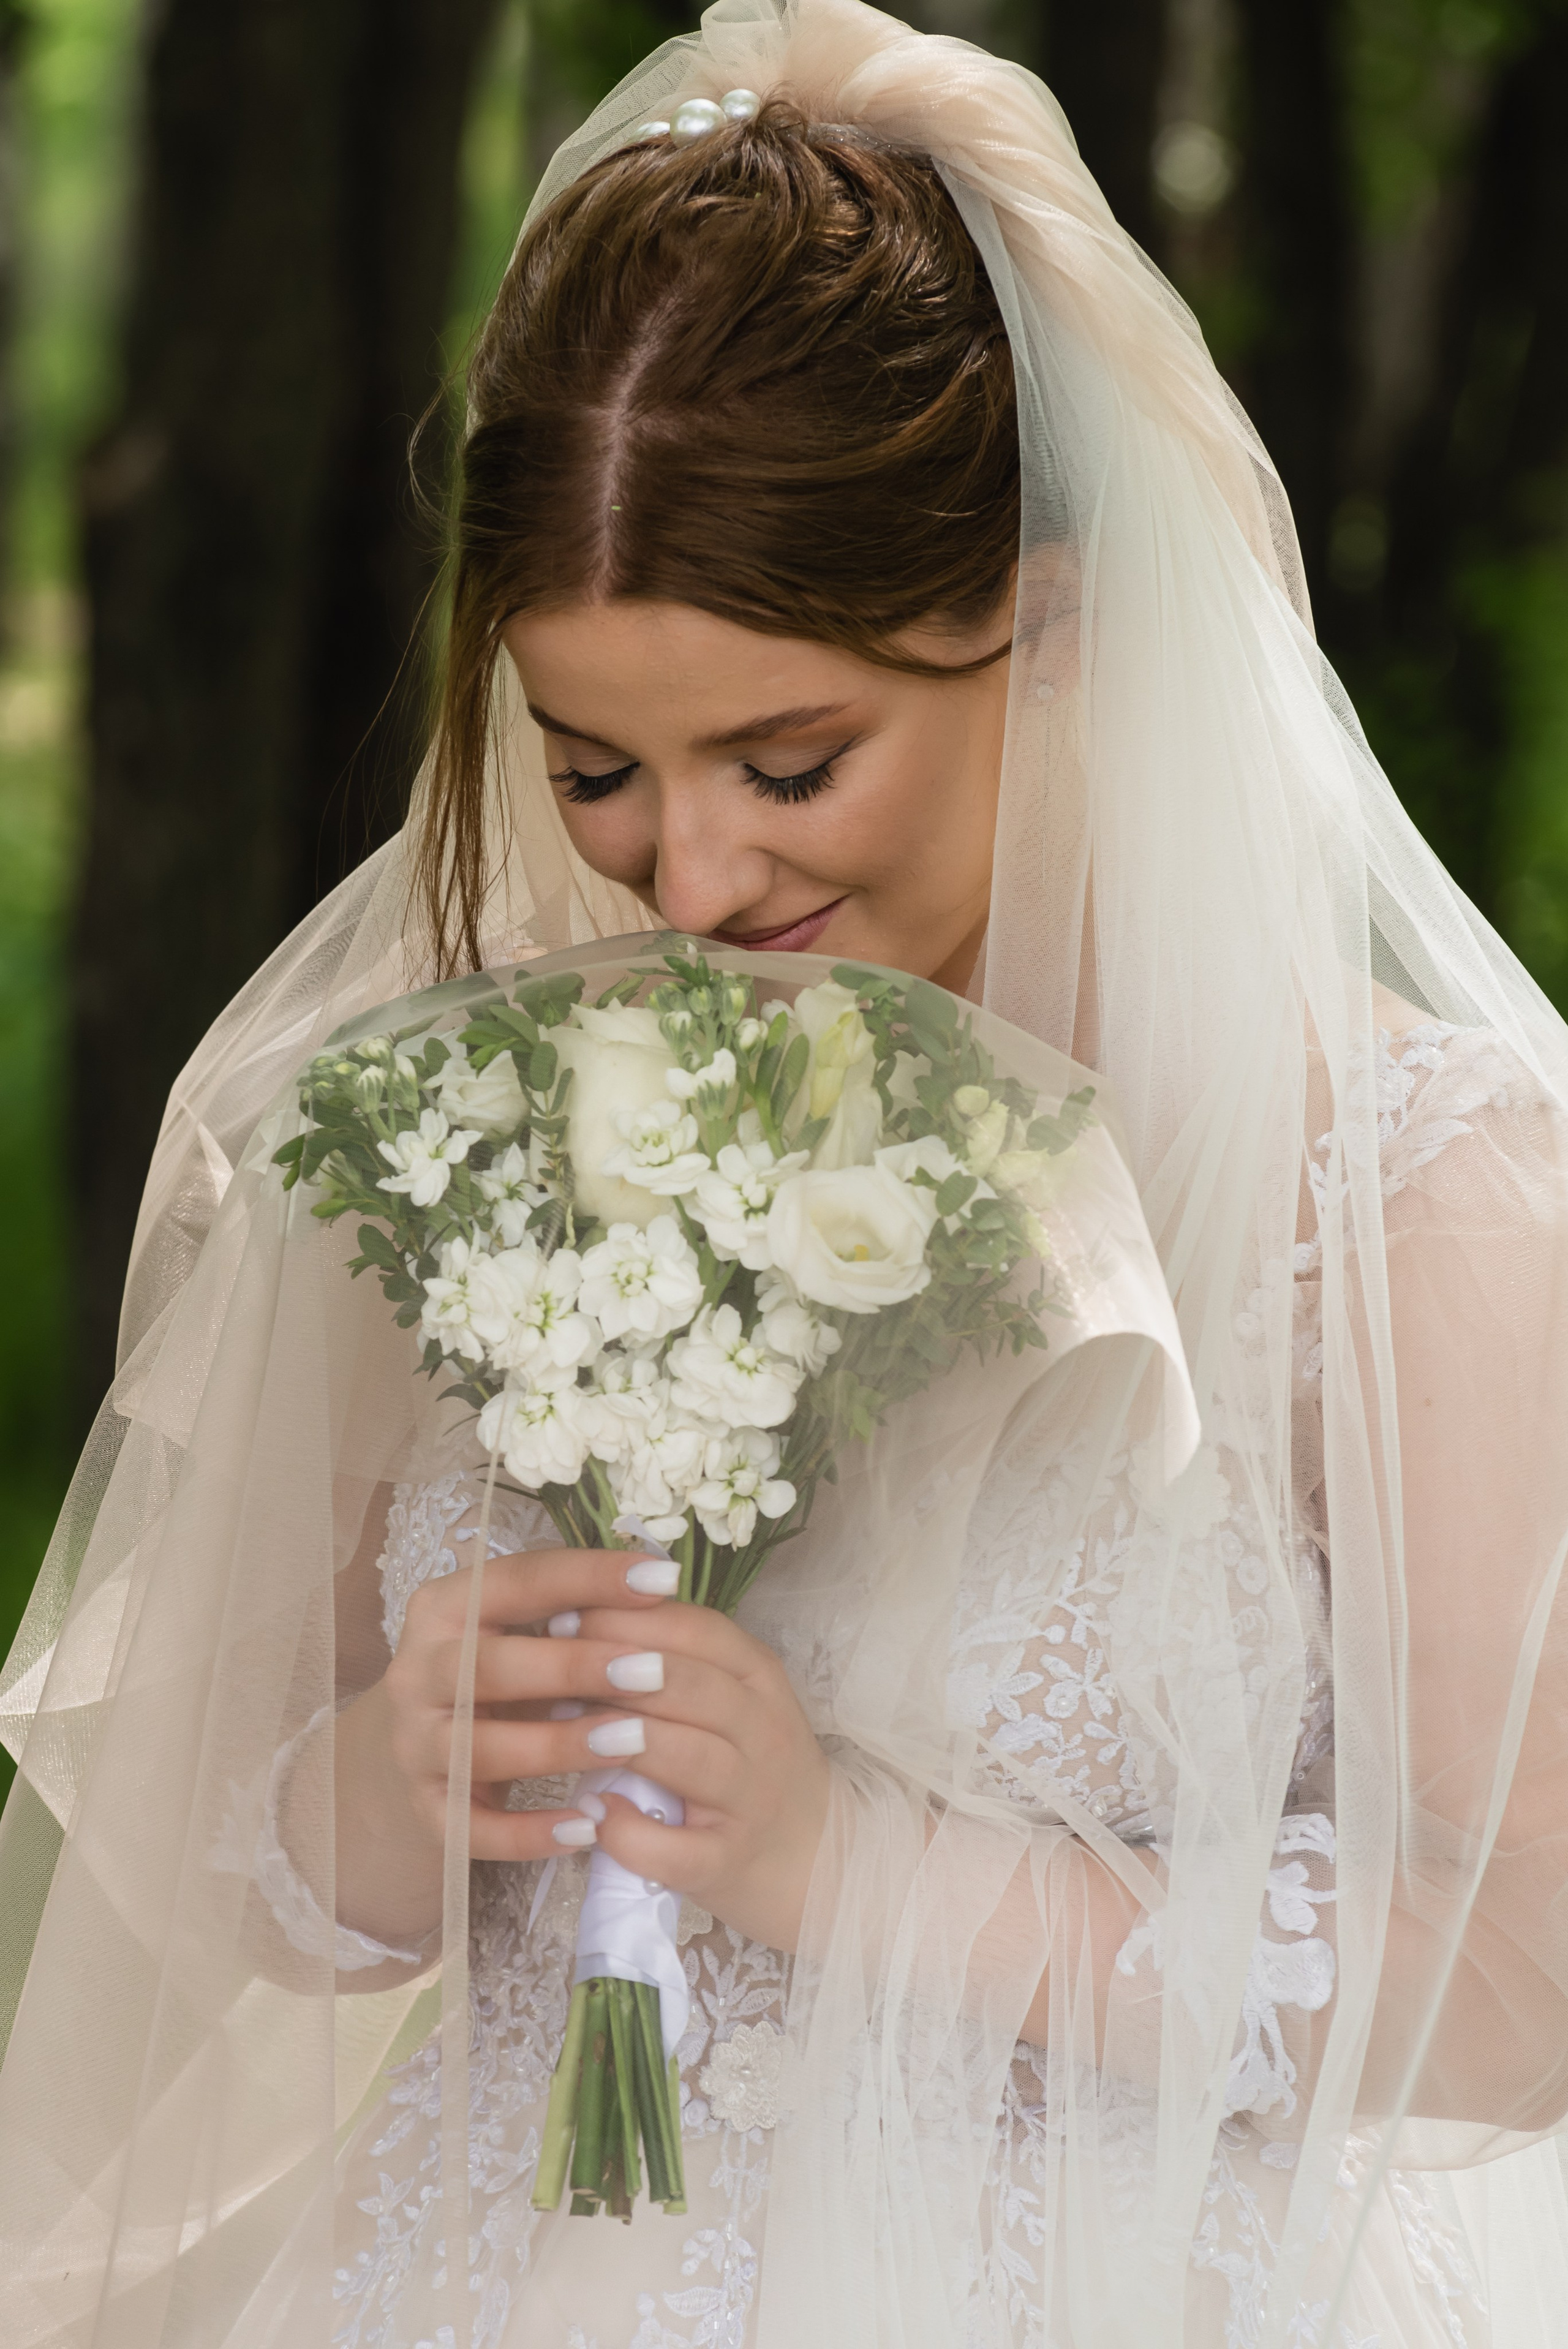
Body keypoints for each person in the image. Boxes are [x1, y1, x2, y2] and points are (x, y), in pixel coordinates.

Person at [4, 2, 1568, 2343]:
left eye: (793, 757)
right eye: (598, 769)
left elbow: (1520, 1975)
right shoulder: (496, 1140)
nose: (692, 871)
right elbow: (240, 1893)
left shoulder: (1412, 1197)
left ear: (1055, 632)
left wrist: (863, 1864)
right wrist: (399, 1767)